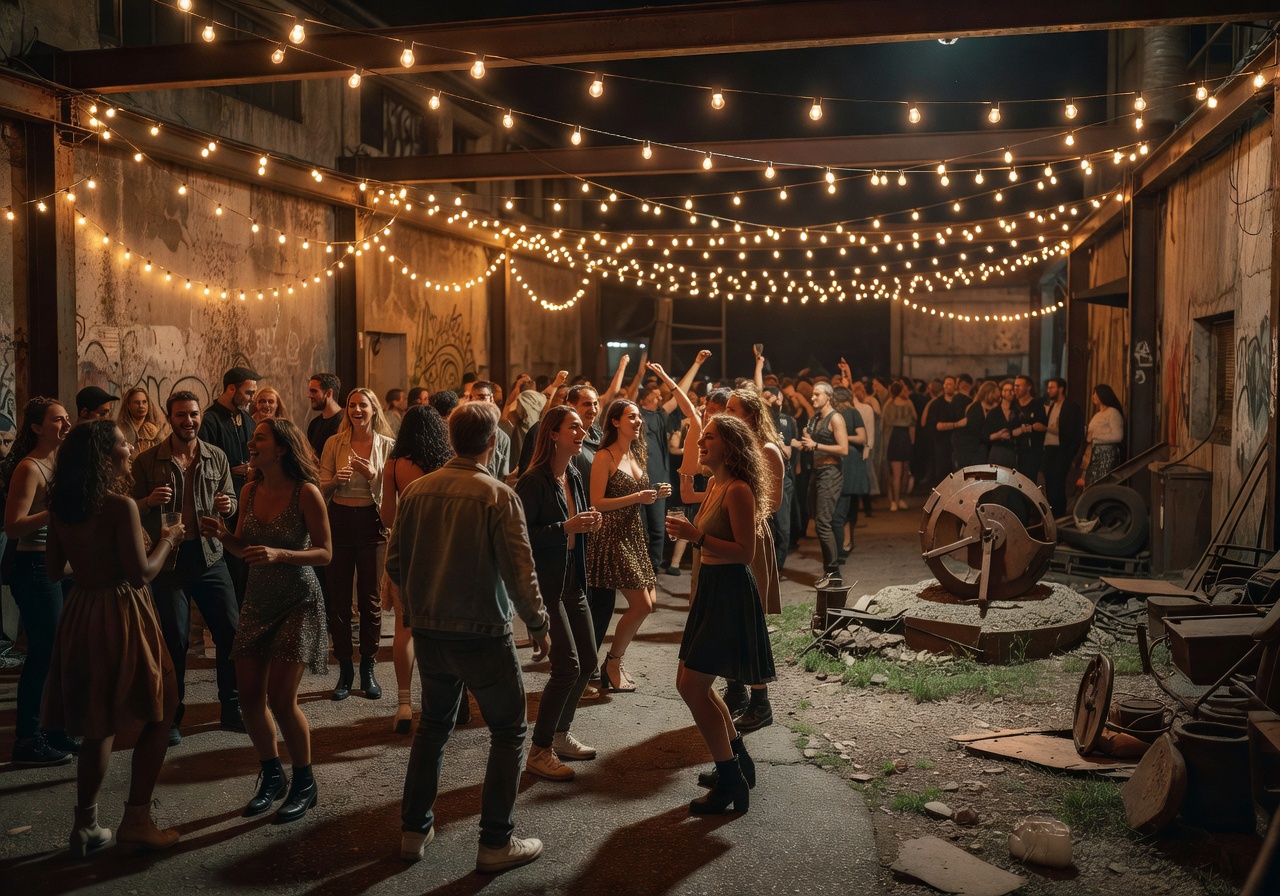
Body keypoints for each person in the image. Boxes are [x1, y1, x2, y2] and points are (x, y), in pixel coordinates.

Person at [387, 402, 551, 872]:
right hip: (483, 633)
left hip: (430, 631)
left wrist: (420, 603)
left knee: (433, 727)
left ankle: (413, 831)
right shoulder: (498, 495)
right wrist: (538, 625)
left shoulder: (416, 491)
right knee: (509, 731)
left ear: (451, 438)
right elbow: (521, 571)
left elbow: (394, 562)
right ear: (493, 442)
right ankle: (495, 842)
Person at [44, 421, 184, 855]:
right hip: (123, 611)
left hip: (82, 611)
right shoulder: (120, 505)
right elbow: (141, 574)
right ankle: (137, 821)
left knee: (98, 722)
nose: (132, 447)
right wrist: (168, 539)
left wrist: (91, 567)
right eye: (125, 443)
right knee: (163, 708)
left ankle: (85, 825)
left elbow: (54, 569)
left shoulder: (62, 505)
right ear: (106, 455)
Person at [200, 419, 331, 823]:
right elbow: (244, 549)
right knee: (249, 697)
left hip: (298, 600)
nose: (251, 443)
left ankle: (305, 782)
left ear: (282, 449)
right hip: (258, 601)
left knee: (281, 698)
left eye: (260, 438)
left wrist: (281, 554)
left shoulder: (306, 492)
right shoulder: (249, 490)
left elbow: (325, 553)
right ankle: (272, 775)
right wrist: (222, 535)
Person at [664, 414, 775, 815]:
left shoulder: (739, 490)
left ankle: (730, 779)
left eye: (708, 437)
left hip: (729, 591)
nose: (700, 442)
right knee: (690, 683)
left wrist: (696, 537)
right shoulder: (714, 484)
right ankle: (738, 762)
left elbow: (745, 553)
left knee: (693, 687)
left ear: (729, 446)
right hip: (711, 588)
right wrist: (694, 536)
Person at [131, 391, 241, 745]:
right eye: (181, 415)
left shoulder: (215, 456)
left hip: (209, 556)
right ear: (170, 417)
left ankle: (232, 706)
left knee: (230, 632)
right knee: (174, 640)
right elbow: (127, 507)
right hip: (168, 561)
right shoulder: (148, 461)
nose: (188, 421)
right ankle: (172, 717)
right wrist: (148, 501)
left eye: (193, 414)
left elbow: (231, 498)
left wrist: (228, 505)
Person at [515, 406, 604, 781]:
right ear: (553, 434)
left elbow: (575, 524)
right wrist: (566, 527)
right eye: (574, 427)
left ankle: (560, 735)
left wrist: (588, 523)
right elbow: (520, 535)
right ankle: (539, 750)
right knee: (566, 667)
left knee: (588, 661)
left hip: (572, 580)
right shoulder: (533, 481)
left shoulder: (573, 474)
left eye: (582, 428)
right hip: (547, 584)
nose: (582, 432)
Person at [2, 397, 77, 764]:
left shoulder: (59, 462)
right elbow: (13, 526)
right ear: (36, 428)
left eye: (66, 418)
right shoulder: (29, 468)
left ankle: (54, 729)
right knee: (43, 653)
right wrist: (55, 511)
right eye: (57, 420)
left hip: (60, 566)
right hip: (33, 567)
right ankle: (27, 740)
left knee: (60, 654)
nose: (66, 425)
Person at [587, 399, 670, 693]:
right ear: (615, 421)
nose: (638, 421)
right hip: (612, 537)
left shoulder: (636, 452)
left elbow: (637, 493)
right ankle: (612, 663)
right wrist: (637, 498)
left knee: (648, 603)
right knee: (642, 604)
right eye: (631, 417)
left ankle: (612, 662)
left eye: (638, 417)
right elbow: (597, 502)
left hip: (633, 534)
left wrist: (655, 493)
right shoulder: (604, 456)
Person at [380, 406, 454, 733]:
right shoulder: (447, 463)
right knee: (443, 626)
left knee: (404, 627)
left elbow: (387, 517)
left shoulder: (394, 465)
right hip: (442, 550)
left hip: (406, 550)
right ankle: (444, 700)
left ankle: (404, 704)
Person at [319, 388, 395, 701]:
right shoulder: (334, 443)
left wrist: (374, 474)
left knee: (370, 599)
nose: (357, 410)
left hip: (371, 523)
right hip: (339, 521)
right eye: (352, 405)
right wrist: (335, 480)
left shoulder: (387, 445)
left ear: (374, 409)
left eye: (363, 405)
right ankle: (345, 669)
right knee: (338, 600)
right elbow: (321, 485)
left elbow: (392, 490)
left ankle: (368, 666)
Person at [799, 383, 848, 585]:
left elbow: (844, 449)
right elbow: (812, 445)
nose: (813, 398)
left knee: (823, 522)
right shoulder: (817, 418)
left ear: (828, 396)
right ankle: (831, 571)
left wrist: (816, 444)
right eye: (812, 394)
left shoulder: (835, 418)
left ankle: (833, 573)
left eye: (817, 394)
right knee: (818, 521)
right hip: (817, 471)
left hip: (830, 471)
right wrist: (803, 443)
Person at [830, 386, 868, 561]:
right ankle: (846, 541)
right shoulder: (841, 413)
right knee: (847, 504)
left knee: (845, 502)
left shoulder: (851, 413)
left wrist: (842, 437)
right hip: (846, 461)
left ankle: (844, 543)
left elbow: (862, 437)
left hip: (848, 461)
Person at [1042, 377, 1085, 517]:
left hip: (1061, 450)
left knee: (1058, 484)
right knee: (1049, 483)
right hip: (1049, 450)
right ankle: (1052, 513)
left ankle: (1058, 514)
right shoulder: (1052, 406)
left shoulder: (1070, 406)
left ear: (1061, 388)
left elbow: (1073, 432)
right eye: (1048, 387)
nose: (1049, 390)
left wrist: (1071, 454)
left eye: (1052, 387)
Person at [1080, 384, 1125, 487]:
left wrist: (1095, 435)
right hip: (1095, 453)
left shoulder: (1113, 413)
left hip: (1106, 454)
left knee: (1102, 484)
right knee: (1091, 484)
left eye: (1095, 393)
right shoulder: (1097, 414)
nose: (1093, 396)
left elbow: (1118, 436)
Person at [881, 382, 916, 511]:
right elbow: (914, 419)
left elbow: (883, 423)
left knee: (898, 472)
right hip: (902, 437)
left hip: (895, 438)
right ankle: (899, 499)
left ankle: (895, 501)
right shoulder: (907, 403)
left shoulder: (889, 404)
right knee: (903, 471)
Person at [466, 381, 511, 480]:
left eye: (483, 397)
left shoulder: (503, 438)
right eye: (474, 398)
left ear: (492, 400)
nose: (478, 402)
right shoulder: (463, 431)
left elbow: (503, 476)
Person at [1010, 375, 1048, 486]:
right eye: (1015, 386)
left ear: (1028, 387)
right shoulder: (1013, 405)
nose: (1016, 389)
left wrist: (1031, 428)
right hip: (1014, 450)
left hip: (1031, 451)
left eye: (1019, 386)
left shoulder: (1037, 405)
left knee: (1029, 483)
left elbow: (1042, 425)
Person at [953, 381, 999, 469]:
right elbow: (976, 430)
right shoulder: (975, 408)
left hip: (982, 447)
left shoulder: (992, 408)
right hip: (973, 448)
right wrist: (992, 436)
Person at [306, 373, 344, 461]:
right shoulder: (314, 424)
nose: (309, 395)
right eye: (309, 391)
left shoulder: (345, 422)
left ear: (329, 393)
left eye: (314, 391)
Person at [984, 380, 1019, 468]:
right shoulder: (994, 413)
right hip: (998, 450)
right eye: (1006, 390)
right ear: (1001, 392)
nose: (1009, 393)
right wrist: (998, 435)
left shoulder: (1017, 412)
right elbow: (985, 435)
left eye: (1011, 390)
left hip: (1013, 450)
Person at [117, 387, 164, 452]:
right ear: (128, 405)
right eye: (137, 402)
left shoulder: (152, 430)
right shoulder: (119, 430)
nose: (141, 406)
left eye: (144, 402)